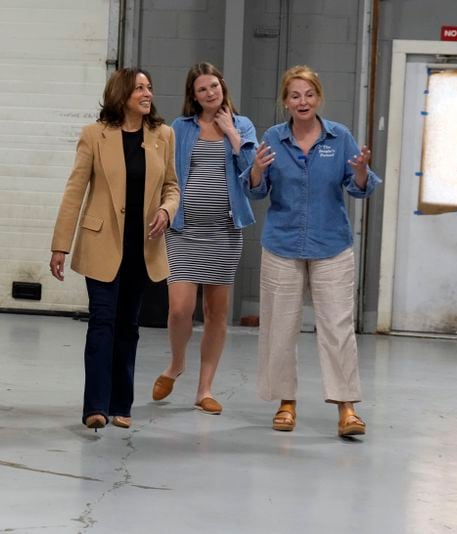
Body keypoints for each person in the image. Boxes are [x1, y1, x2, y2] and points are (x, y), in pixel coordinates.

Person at [243, 65, 381, 437]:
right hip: (282, 246)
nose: (302, 101)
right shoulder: (272, 138)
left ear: (318, 97)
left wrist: (363, 172)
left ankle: (347, 407)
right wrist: (256, 169)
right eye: (294, 96)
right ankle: (285, 402)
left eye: (308, 95)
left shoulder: (340, 138)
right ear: (285, 102)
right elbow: (256, 191)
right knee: (279, 327)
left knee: (337, 328)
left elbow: (359, 188)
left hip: (331, 246)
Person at [50, 68, 179, 431]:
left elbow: (172, 186)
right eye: (139, 87)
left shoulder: (163, 135)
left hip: (144, 247)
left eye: (149, 87)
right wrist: (60, 245)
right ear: (121, 94)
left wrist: (168, 211)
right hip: (101, 243)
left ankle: (122, 404)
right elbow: (75, 190)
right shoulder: (95, 135)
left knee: (128, 325)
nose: (147, 93)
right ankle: (95, 406)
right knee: (102, 322)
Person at [151, 63, 257, 415]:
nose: (210, 93)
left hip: (225, 233)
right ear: (193, 97)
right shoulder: (179, 128)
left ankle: (204, 389)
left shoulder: (242, 126)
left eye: (214, 86)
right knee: (180, 308)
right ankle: (176, 364)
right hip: (183, 231)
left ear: (222, 87)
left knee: (216, 312)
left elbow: (253, 176)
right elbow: (166, 171)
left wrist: (231, 133)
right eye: (202, 89)